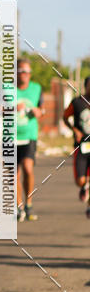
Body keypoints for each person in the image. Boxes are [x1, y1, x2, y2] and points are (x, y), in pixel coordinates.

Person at [16, 60, 44, 222]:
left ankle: (29, 204)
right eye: (21, 71)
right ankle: (19, 207)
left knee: (27, 168)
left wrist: (38, 111)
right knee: (13, 174)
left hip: (29, 135)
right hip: (10, 136)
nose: (25, 74)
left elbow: (42, 109)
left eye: (27, 71)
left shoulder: (36, 88)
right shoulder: (6, 88)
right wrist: (13, 108)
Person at [63, 76, 90, 218]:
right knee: (80, 180)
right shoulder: (77, 102)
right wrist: (74, 130)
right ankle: (84, 187)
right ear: (86, 86)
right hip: (81, 147)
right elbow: (64, 117)